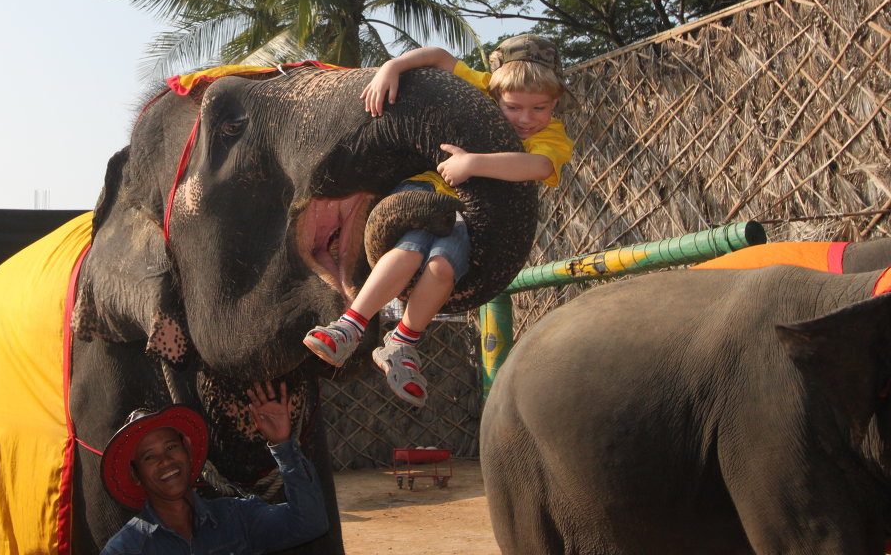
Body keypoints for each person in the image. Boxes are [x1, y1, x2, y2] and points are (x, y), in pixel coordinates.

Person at [303, 34, 574, 407]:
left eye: (539, 108)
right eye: (513, 107)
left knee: (442, 268)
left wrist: (473, 163)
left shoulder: (553, 136)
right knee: (410, 250)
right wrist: (392, 67)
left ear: (555, 103)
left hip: (468, 216)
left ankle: (402, 343)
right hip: (424, 194)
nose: (526, 119)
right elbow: (440, 57)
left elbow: (539, 165)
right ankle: (349, 325)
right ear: (496, 96)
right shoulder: (482, 87)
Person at [99, 381, 329, 554]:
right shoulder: (126, 548)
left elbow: (310, 522)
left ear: (187, 452)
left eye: (170, 447)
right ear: (135, 474)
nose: (166, 461)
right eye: (150, 457)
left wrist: (283, 445)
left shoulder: (236, 517)